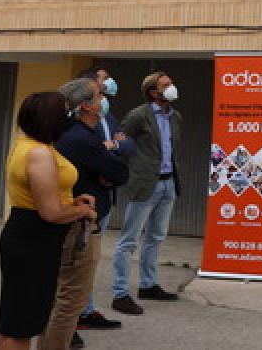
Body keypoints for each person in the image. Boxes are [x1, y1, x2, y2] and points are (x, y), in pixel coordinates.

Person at [0, 91, 97, 350]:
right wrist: (82, 212)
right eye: (65, 112)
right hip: (33, 239)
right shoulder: (39, 153)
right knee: (20, 327)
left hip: (31, 235)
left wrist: (72, 203)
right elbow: (50, 212)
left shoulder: (30, 144)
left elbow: (47, 197)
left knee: (17, 320)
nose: (70, 117)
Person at [41, 79, 131, 350]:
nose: (103, 99)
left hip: (84, 211)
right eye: (98, 95)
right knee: (71, 287)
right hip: (79, 218)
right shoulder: (80, 137)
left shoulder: (78, 133)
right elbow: (120, 172)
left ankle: (65, 330)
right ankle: (63, 334)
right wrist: (107, 170)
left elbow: (116, 166)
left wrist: (108, 169)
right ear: (85, 106)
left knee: (68, 284)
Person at [110, 72, 183, 315]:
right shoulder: (139, 115)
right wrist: (127, 172)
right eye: (166, 84)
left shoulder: (175, 117)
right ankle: (120, 293)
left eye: (171, 83)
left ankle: (148, 285)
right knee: (129, 240)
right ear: (154, 92)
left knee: (156, 237)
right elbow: (120, 142)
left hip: (168, 183)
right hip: (144, 184)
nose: (172, 87)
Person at [74, 67, 136, 333]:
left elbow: (128, 146)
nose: (109, 84)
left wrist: (113, 149)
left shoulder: (108, 118)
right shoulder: (76, 124)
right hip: (87, 198)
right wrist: (108, 154)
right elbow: (89, 155)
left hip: (105, 195)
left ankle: (85, 311)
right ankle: (78, 315)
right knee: (80, 260)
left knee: (91, 258)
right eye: (102, 82)